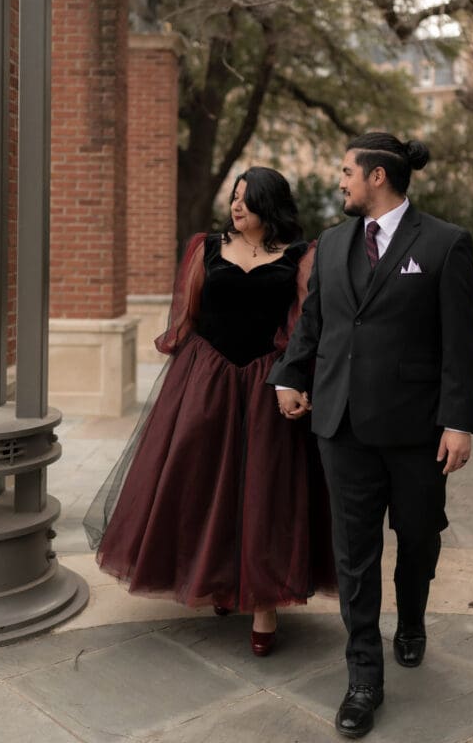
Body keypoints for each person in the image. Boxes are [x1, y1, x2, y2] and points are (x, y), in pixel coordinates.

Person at [269, 133, 473, 737]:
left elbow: (461, 344)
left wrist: (459, 421)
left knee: (418, 536)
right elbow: (314, 326)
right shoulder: (332, 246)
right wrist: (289, 376)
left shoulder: (444, 243)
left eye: (346, 172)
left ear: (378, 177)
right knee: (354, 554)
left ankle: (410, 619)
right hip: (340, 425)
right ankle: (364, 675)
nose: (340, 182)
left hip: (417, 431)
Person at [84, 167, 335, 657]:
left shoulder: (302, 258)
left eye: (247, 199)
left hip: (267, 383)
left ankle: (265, 602)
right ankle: (221, 579)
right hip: (207, 380)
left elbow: (305, 326)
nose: (236, 207)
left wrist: (294, 379)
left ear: (271, 205)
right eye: (234, 198)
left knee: (265, 492)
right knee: (204, 484)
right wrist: (188, 373)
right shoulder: (205, 248)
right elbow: (188, 315)